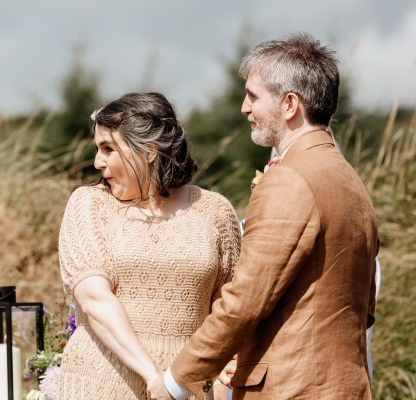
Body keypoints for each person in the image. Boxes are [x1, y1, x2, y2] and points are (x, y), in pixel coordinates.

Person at [148, 32, 379, 399]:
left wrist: (177, 380)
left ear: (289, 104)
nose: (244, 107)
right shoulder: (351, 182)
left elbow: (245, 300)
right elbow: (364, 309)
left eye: (253, 96)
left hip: (293, 388)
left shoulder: (289, 180)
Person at [55, 92, 241, 399]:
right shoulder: (89, 205)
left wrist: (213, 377)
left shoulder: (214, 211)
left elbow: (228, 308)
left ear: (150, 150)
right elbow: (93, 299)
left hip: (187, 389)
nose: (97, 161)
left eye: (108, 148)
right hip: (102, 385)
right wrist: (155, 378)